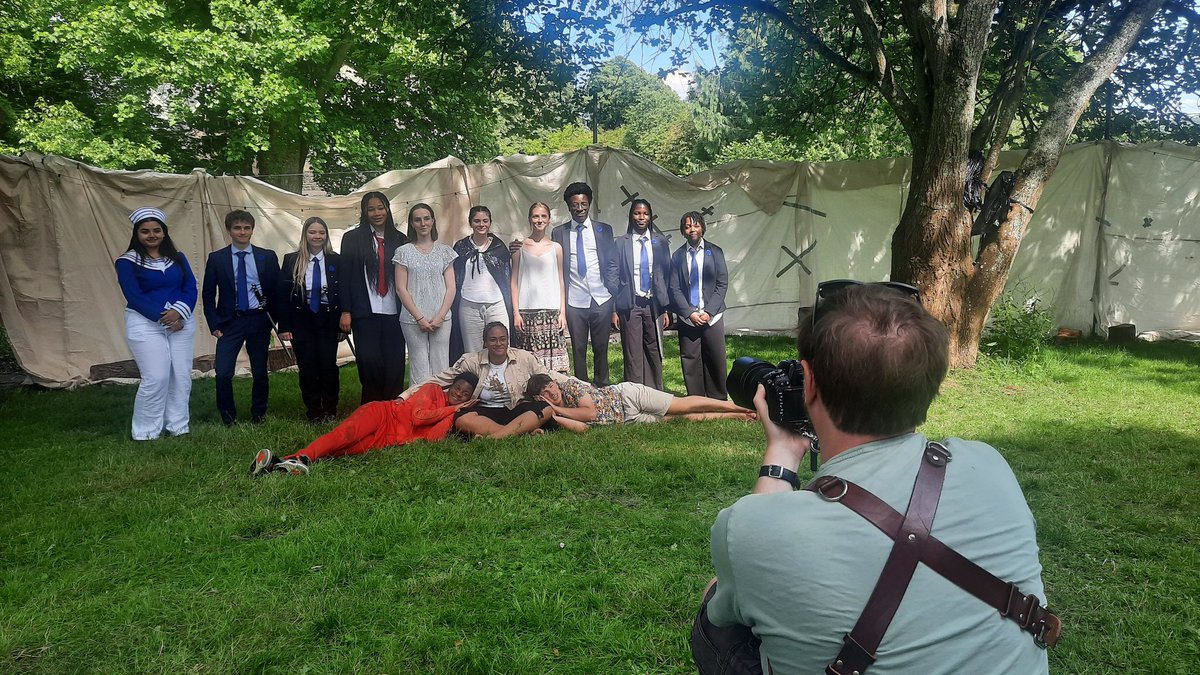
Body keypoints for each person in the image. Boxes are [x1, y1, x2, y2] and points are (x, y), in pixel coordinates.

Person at [691, 282, 1057, 674]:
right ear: (931, 384)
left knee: (715, 608)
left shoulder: (750, 526)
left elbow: (735, 602)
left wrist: (780, 455)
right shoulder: (989, 463)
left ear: (809, 383)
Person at [248, 373, 542, 476]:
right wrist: (451, 407)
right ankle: (302, 456)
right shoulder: (431, 392)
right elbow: (417, 418)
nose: (459, 395)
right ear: (451, 386)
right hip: (383, 415)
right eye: (457, 390)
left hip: (388, 440)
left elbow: (436, 437)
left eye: (465, 395)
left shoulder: (452, 416)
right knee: (344, 435)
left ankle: (281, 464)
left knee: (343, 450)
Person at [115, 207, 198, 440]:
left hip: (182, 321)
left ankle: (178, 426)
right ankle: (146, 432)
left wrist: (179, 314)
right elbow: (134, 295)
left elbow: (190, 287)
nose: (151, 235)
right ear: (137, 234)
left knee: (181, 375)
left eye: (156, 230)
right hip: (145, 322)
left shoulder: (178, 258)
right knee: (157, 376)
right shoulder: (126, 261)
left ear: (164, 232)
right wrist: (166, 318)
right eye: (145, 231)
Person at [402, 321, 565, 438]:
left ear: (508, 340)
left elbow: (550, 374)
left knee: (545, 409)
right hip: (486, 410)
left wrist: (581, 385)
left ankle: (496, 437)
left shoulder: (523, 357)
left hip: (516, 408)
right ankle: (518, 433)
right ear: (485, 342)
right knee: (461, 420)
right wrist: (406, 394)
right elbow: (441, 379)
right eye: (493, 340)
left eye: (502, 339)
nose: (498, 343)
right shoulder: (472, 361)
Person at [202, 209, 280, 426]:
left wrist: (274, 320)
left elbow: (277, 290)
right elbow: (208, 294)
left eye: (247, 228)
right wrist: (214, 323)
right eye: (237, 228)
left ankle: (259, 414)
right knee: (224, 373)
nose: (242, 232)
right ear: (229, 230)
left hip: (258, 320)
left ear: (252, 230)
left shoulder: (267, 256)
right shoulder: (217, 259)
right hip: (230, 322)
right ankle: (228, 416)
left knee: (260, 371)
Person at [338, 191, 409, 404]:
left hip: (395, 313)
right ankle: (371, 406)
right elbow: (345, 276)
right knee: (369, 361)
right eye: (371, 209)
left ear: (387, 209)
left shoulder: (401, 239)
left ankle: (391, 407)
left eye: (381, 207)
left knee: (394, 362)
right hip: (364, 312)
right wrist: (346, 310)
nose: (376, 213)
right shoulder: (352, 238)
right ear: (364, 212)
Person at [551, 182, 619, 386]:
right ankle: (582, 388)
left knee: (601, 347)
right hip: (574, 300)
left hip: (601, 297)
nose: (579, 209)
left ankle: (602, 386)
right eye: (575, 205)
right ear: (568, 206)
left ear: (589, 203)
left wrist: (611, 290)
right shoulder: (559, 232)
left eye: (583, 204)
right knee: (578, 349)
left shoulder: (603, 230)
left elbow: (612, 262)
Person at [277, 216, 342, 423]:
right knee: (307, 366)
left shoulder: (336, 260)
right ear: (305, 234)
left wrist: (343, 323)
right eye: (312, 232)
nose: (317, 236)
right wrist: (284, 325)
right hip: (301, 319)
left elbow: (342, 292)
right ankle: (314, 411)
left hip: (328, 318)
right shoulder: (291, 259)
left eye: (321, 232)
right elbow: (282, 295)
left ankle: (330, 409)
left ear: (326, 235)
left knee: (328, 365)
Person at [524, 373, 752, 431]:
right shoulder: (559, 412)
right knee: (680, 420)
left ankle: (735, 406)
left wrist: (555, 408)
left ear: (555, 382)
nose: (552, 392)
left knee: (682, 405)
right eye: (545, 392)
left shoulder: (571, 387)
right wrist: (553, 414)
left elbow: (590, 414)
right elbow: (582, 428)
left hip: (626, 396)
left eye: (550, 386)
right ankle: (737, 416)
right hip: (626, 420)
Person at [393, 203, 457, 386]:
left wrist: (440, 316)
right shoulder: (403, 252)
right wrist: (419, 317)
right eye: (417, 219)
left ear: (433, 221)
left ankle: (440, 406)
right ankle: (418, 408)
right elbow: (400, 288)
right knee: (418, 365)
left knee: (441, 365)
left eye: (426, 218)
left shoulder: (445, 251)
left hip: (441, 318)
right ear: (412, 223)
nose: (423, 223)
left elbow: (451, 287)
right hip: (413, 319)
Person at [668, 211, 728, 400]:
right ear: (683, 231)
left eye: (695, 225)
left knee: (715, 357)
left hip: (713, 315)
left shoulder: (715, 251)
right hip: (689, 317)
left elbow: (722, 283)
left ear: (702, 228)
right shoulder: (677, 256)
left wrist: (709, 312)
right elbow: (674, 288)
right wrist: (689, 313)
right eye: (687, 227)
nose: (691, 229)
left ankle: (717, 397)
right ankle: (696, 398)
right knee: (691, 359)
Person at [613, 198, 671, 390]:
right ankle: (635, 393)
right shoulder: (621, 243)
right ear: (631, 216)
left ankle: (656, 392)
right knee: (633, 351)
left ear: (650, 216)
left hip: (654, 304)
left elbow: (667, 275)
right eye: (637, 213)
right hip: (630, 304)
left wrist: (667, 309)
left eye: (645, 213)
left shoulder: (660, 242)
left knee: (654, 348)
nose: (641, 217)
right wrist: (614, 308)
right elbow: (613, 275)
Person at [510, 201, 568, 373]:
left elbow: (561, 280)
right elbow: (513, 281)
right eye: (536, 216)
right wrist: (516, 313)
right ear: (529, 219)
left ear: (549, 220)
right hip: (528, 313)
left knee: (554, 365)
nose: (539, 220)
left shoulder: (556, 248)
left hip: (552, 312)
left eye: (543, 216)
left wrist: (562, 312)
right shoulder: (519, 247)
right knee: (530, 362)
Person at [450, 205, 513, 359]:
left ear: (490, 222)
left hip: (496, 304)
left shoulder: (498, 247)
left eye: (485, 221)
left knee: (502, 348)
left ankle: (502, 382)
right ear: (470, 223)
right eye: (477, 221)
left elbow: (506, 276)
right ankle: (476, 382)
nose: (481, 224)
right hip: (469, 305)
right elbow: (455, 276)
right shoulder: (460, 247)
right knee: (472, 352)